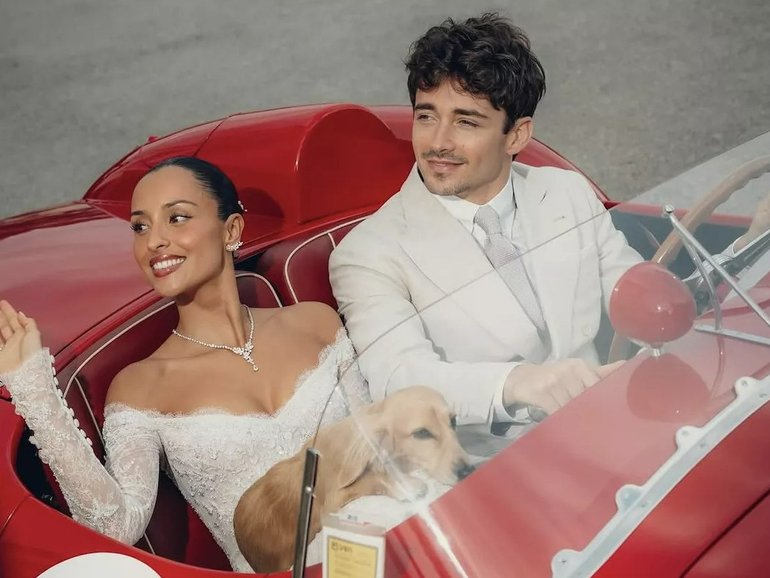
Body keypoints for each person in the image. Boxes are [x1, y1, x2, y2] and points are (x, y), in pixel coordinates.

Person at [329, 13, 770, 437]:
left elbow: (643, 298)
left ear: (517, 136)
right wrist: (518, 384)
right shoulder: (367, 252)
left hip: (618, 421)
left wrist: (748, 246)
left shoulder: (565, 192)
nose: (438, 142)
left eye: (466, 121)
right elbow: (398, 379)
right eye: (426, 116)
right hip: (494, 469)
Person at [0, 157, 369, 572]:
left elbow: (382, 444)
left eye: (176, 218)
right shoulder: (141, 387)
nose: (154, 241)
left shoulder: (315, 321)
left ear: (231, 230)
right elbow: (114, 525)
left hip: (396, 545)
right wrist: (33, 391)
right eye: (140, 227)